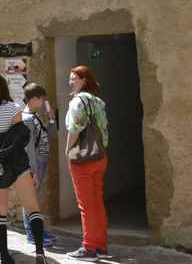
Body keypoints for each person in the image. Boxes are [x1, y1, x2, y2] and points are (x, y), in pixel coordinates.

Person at [0, 71, 48, 264]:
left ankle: (5, 256)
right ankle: (40, 253)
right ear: (4, 88)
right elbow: (20, 137)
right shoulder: (14, 108)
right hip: (17, 162)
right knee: (33, 208)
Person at [65, 65, 110, 261]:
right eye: (70, 78)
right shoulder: (98, 102)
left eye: (74, 78)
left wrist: (68, 151)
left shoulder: (77, 102)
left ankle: (89, 247)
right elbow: (104, 130)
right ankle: (100, 245)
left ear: (84, 80)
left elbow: (74, 129)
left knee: (85, 205)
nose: (70, 81)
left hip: (82, 159)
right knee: (97, 203)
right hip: (99, 157)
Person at [21, 82, 57, 246]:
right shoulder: (28, 119)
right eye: (41, 99)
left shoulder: (35, 116)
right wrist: (33, 170)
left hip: (40, 161)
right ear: (34, 99)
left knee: (36, 199)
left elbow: (49, 136)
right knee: (30, 199)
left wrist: (51, 118)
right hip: (35, 164)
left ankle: (38, 230)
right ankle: (31, 233)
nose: (43, 102)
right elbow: (28, 148)